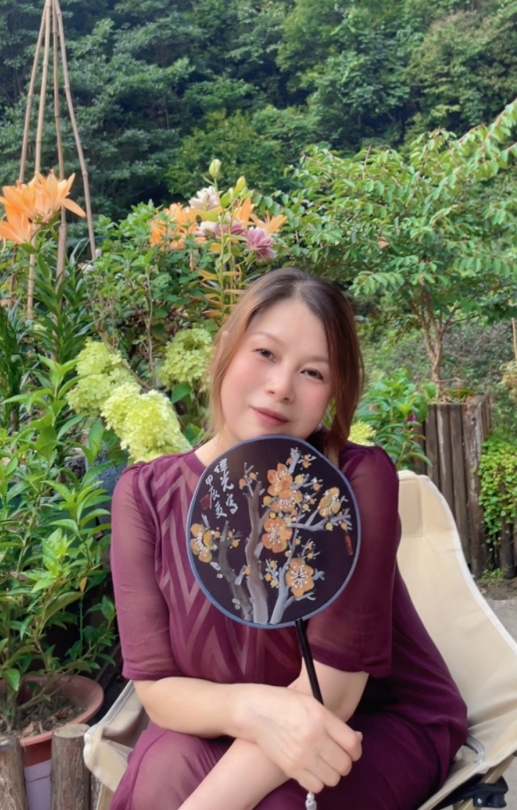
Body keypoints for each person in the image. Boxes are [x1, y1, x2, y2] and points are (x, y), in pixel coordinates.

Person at [109, 268, 468, 810]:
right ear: (225, 349)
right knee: (163, 773)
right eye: (265, 353)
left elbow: (334, 691)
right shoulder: (145, 496)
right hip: (222, 721)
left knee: (277, 804)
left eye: (313, 372)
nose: (281, 387)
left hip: (369, 717)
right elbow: (157, 688)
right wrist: (253, 712)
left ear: (334, 392)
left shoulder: (354, 482)